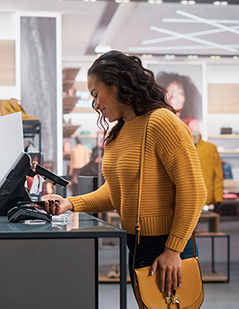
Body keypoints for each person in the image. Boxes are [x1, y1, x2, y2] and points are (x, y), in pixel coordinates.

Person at [40, 50, 206, 301]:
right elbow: (117, 193)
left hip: (168, 243)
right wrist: (71, 203)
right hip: (136, 242)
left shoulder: (162, 122)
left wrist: (173, 249)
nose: (95, 103)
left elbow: (193, 191)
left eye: (96, 94)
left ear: (117, 84)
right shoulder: (119, 133)